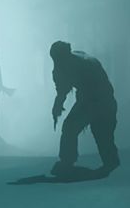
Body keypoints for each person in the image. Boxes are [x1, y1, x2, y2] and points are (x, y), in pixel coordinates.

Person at [49, 40, 119, 177]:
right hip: (105, 98)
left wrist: (57, 108)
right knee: (102, 133)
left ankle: (67, 162)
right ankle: (111, 161)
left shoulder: (67, 65)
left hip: (92, 99)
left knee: (70, 128)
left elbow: (62, 90)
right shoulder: (78, 57)